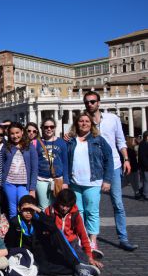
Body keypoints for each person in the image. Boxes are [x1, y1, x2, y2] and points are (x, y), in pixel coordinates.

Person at [82, 90, 137, 251]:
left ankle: (123, 238)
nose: (90, 104)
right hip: (92, 167)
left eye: (93, 101)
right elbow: (75, 137)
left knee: (118, 203)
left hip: (113, 165)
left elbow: (121, 140)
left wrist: (126, 159)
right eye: (87, 102)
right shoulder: (83, 121)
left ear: (99, 103)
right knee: (91, 205)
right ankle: (89, 239)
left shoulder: (113, 119)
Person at [4, 195, 100, 276]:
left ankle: (78, 266)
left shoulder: (36, 220)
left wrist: (38, 211)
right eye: (25, 210)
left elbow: (52, 226)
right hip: (24, 255)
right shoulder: (15, 222)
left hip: (38, 253)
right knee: (47, 269)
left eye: (31, 209)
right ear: (19, 209)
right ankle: (76, 269)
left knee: (55, 233)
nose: (29, 212)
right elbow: (10, 243)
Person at [67, 111, 113, 258]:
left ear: (91, 124)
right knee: (78, 212)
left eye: (87, 121)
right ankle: (82, 238)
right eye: (81, 121)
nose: (84, 123)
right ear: (76, 123)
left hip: (93, 181)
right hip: (75, 182)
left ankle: (93, 241)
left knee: (92, 211)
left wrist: (107, 180)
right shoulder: (71, 141)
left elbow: (109, 159)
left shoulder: (98, 140)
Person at [45, 189, 103, 269]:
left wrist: (89, 257)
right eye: (62, 205)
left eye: (67, 206)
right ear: (58, 202)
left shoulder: (75, 214)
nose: (64, 208)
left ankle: (88, 261)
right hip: (56, 242)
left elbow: (83, 235)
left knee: (80, 260)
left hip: (71, 242)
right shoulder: (49, 211)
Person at [1, 122, 38, 219]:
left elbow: (34, 169)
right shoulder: (6, 147)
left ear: (22, 132)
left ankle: (24, 231)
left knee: (24, 208)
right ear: (9, 135)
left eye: (17, 132)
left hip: (24, 184)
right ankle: (15, 232)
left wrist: (32, 189)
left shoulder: (30, 147)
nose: (15, 136)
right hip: (9, 183)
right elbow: (1, 164)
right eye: (12, 133)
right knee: (12, 210)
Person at [35, 117, 69, 210]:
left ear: (54, 128)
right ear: (41, 128)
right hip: (41, 179)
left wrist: (66, 182)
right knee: (43, 207)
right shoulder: (36, 143)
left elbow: (65, 163)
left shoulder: (61, 142)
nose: (49, 129)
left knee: (58, 207)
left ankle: (56, 224)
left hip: (58, 180)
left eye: (51, 126)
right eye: (46, 127)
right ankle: (45, 224)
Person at [137, 130, 148, 200]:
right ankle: (145, 194)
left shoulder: (144, 144)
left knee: (145, 181)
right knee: (146, 181)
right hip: (145, 166)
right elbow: (143, 156)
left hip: (144, 165)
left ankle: (142, 192)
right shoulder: (143, 144)